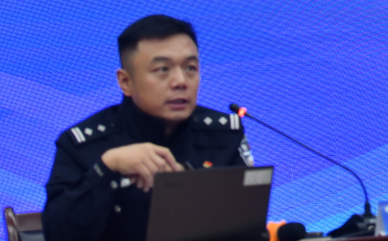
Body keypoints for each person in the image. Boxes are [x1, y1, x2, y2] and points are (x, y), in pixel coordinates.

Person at [42, 15, 254, 241]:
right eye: (162, 69)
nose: (180, 81)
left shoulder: (224, 135)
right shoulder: (82, 144)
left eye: (190, 68)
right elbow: (57, 234)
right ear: (126, 82)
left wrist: (189, 184)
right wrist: (107, 168)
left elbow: (249, 226)